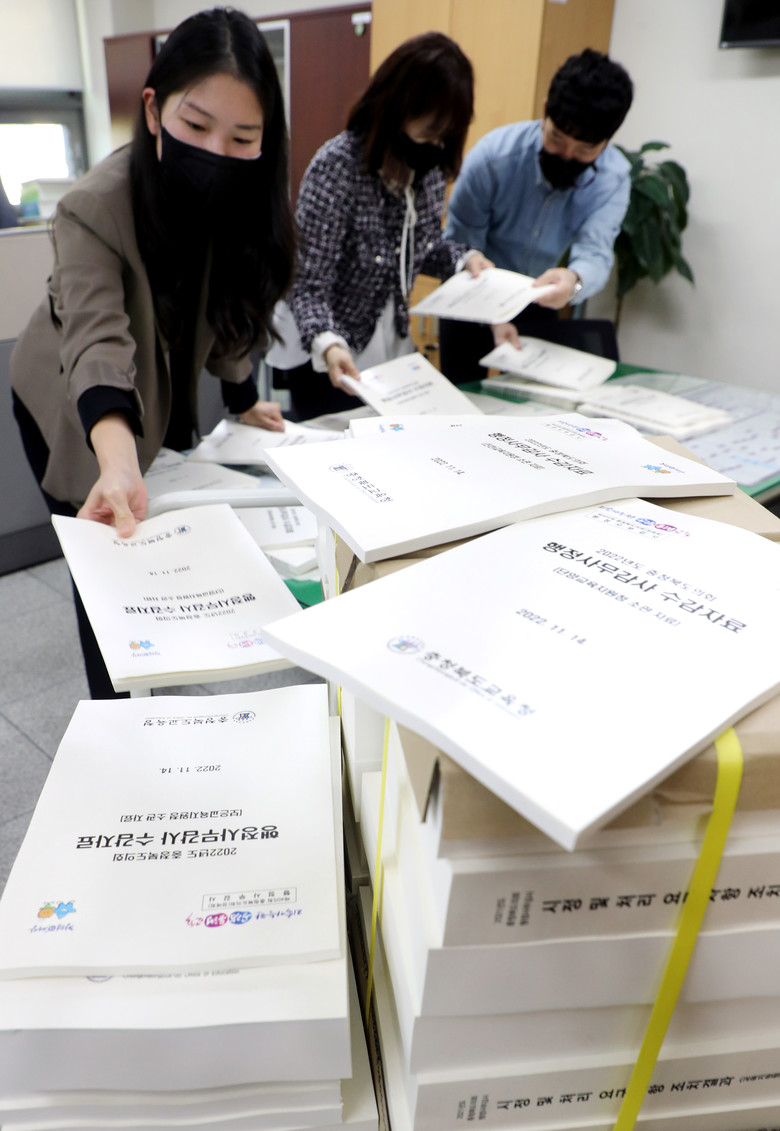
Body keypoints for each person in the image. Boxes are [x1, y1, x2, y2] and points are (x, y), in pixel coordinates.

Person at [10, 7, 295, 697]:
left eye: (243, 137)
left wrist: (244, 398)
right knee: (107, 555)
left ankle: (162, 668)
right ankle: (120, 708)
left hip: (153, 395)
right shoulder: (94, 206)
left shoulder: (244, 197)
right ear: (153, 109)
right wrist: (115, 463)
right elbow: (97, 342)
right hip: (73, 403)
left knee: (159, 533)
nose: (218, 153)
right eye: (196, 125)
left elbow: (228, 310)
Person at [265, 32, 490, 420]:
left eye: (444, 136)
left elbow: (420, 247)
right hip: (329, 352)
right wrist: (329, 344)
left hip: (392, 349)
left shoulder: (429, 168)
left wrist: (463, 259)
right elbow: (307, 282)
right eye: (429, 131)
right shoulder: (338, 166)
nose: (436, 144)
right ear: (396, 109)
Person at [439, 48, 634, 384]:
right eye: (557, 139)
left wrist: (574, 281)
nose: (567, 156)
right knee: (460, 396)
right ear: (545, 112)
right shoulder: (493, 159)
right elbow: (461, 245)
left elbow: (595, 253)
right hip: (473, 295)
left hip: (541, 298)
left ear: (606, 142)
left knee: (533, 400)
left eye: (585, 150)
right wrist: (490, 308)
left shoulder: (612, 179)